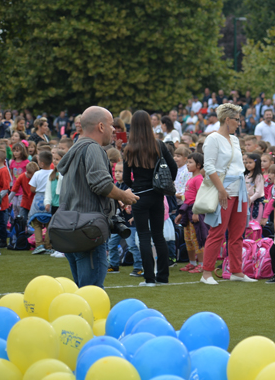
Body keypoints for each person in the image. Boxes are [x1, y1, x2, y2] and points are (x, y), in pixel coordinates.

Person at [56, 106, 139, 288]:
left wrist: (113, 198)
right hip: (89, 231)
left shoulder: (76, 147)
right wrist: (123, 195)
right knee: (91, 292)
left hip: (71, 228)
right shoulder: (93, 148)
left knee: (81, 291)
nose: (114, 130)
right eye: (111, 125)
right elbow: (101, 184)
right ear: (101, 126)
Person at [200, 103, 256, 285]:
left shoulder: (233, 139)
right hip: (223, 190)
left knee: (238, 233)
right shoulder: (212, 139)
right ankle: (206, 273)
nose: (239, 123)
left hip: (239, 190)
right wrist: (221, 190)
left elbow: (238, 167)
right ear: (227, 119)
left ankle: (236, 271)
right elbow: (208, 166)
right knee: (217, 232)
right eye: (237, 120)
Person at [123, 110, 178, 287]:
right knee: (158, 236)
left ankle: (149, 278)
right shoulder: (158, 145)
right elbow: (173, 167)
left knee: (144, 236)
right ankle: (163, 277)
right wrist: (164, 183)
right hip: (157, 195)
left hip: (139, 195)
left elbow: (125, 177)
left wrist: (135, 184)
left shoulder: (129, 148)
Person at [175, 152, 206, 274]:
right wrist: (181, 214)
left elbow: (200, 196)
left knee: (197, 238)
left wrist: (197, 212)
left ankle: (202, 264)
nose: (187, 165)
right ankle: (192, 263)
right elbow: (188, 198)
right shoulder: (191, 178)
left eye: (190, 162)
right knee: (188, 238)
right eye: (187, 162)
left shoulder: (199, 179)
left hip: (195, 211)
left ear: (198, 165)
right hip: (187, 211)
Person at [27, 150, 54, 255]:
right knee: (49, 224)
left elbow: (32, 189)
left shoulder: (37, 174)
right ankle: (48, 245)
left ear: (41, 163)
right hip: (49, 199)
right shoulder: (54, 173)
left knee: (37, 224)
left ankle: (39, 245)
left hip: (38, 200)